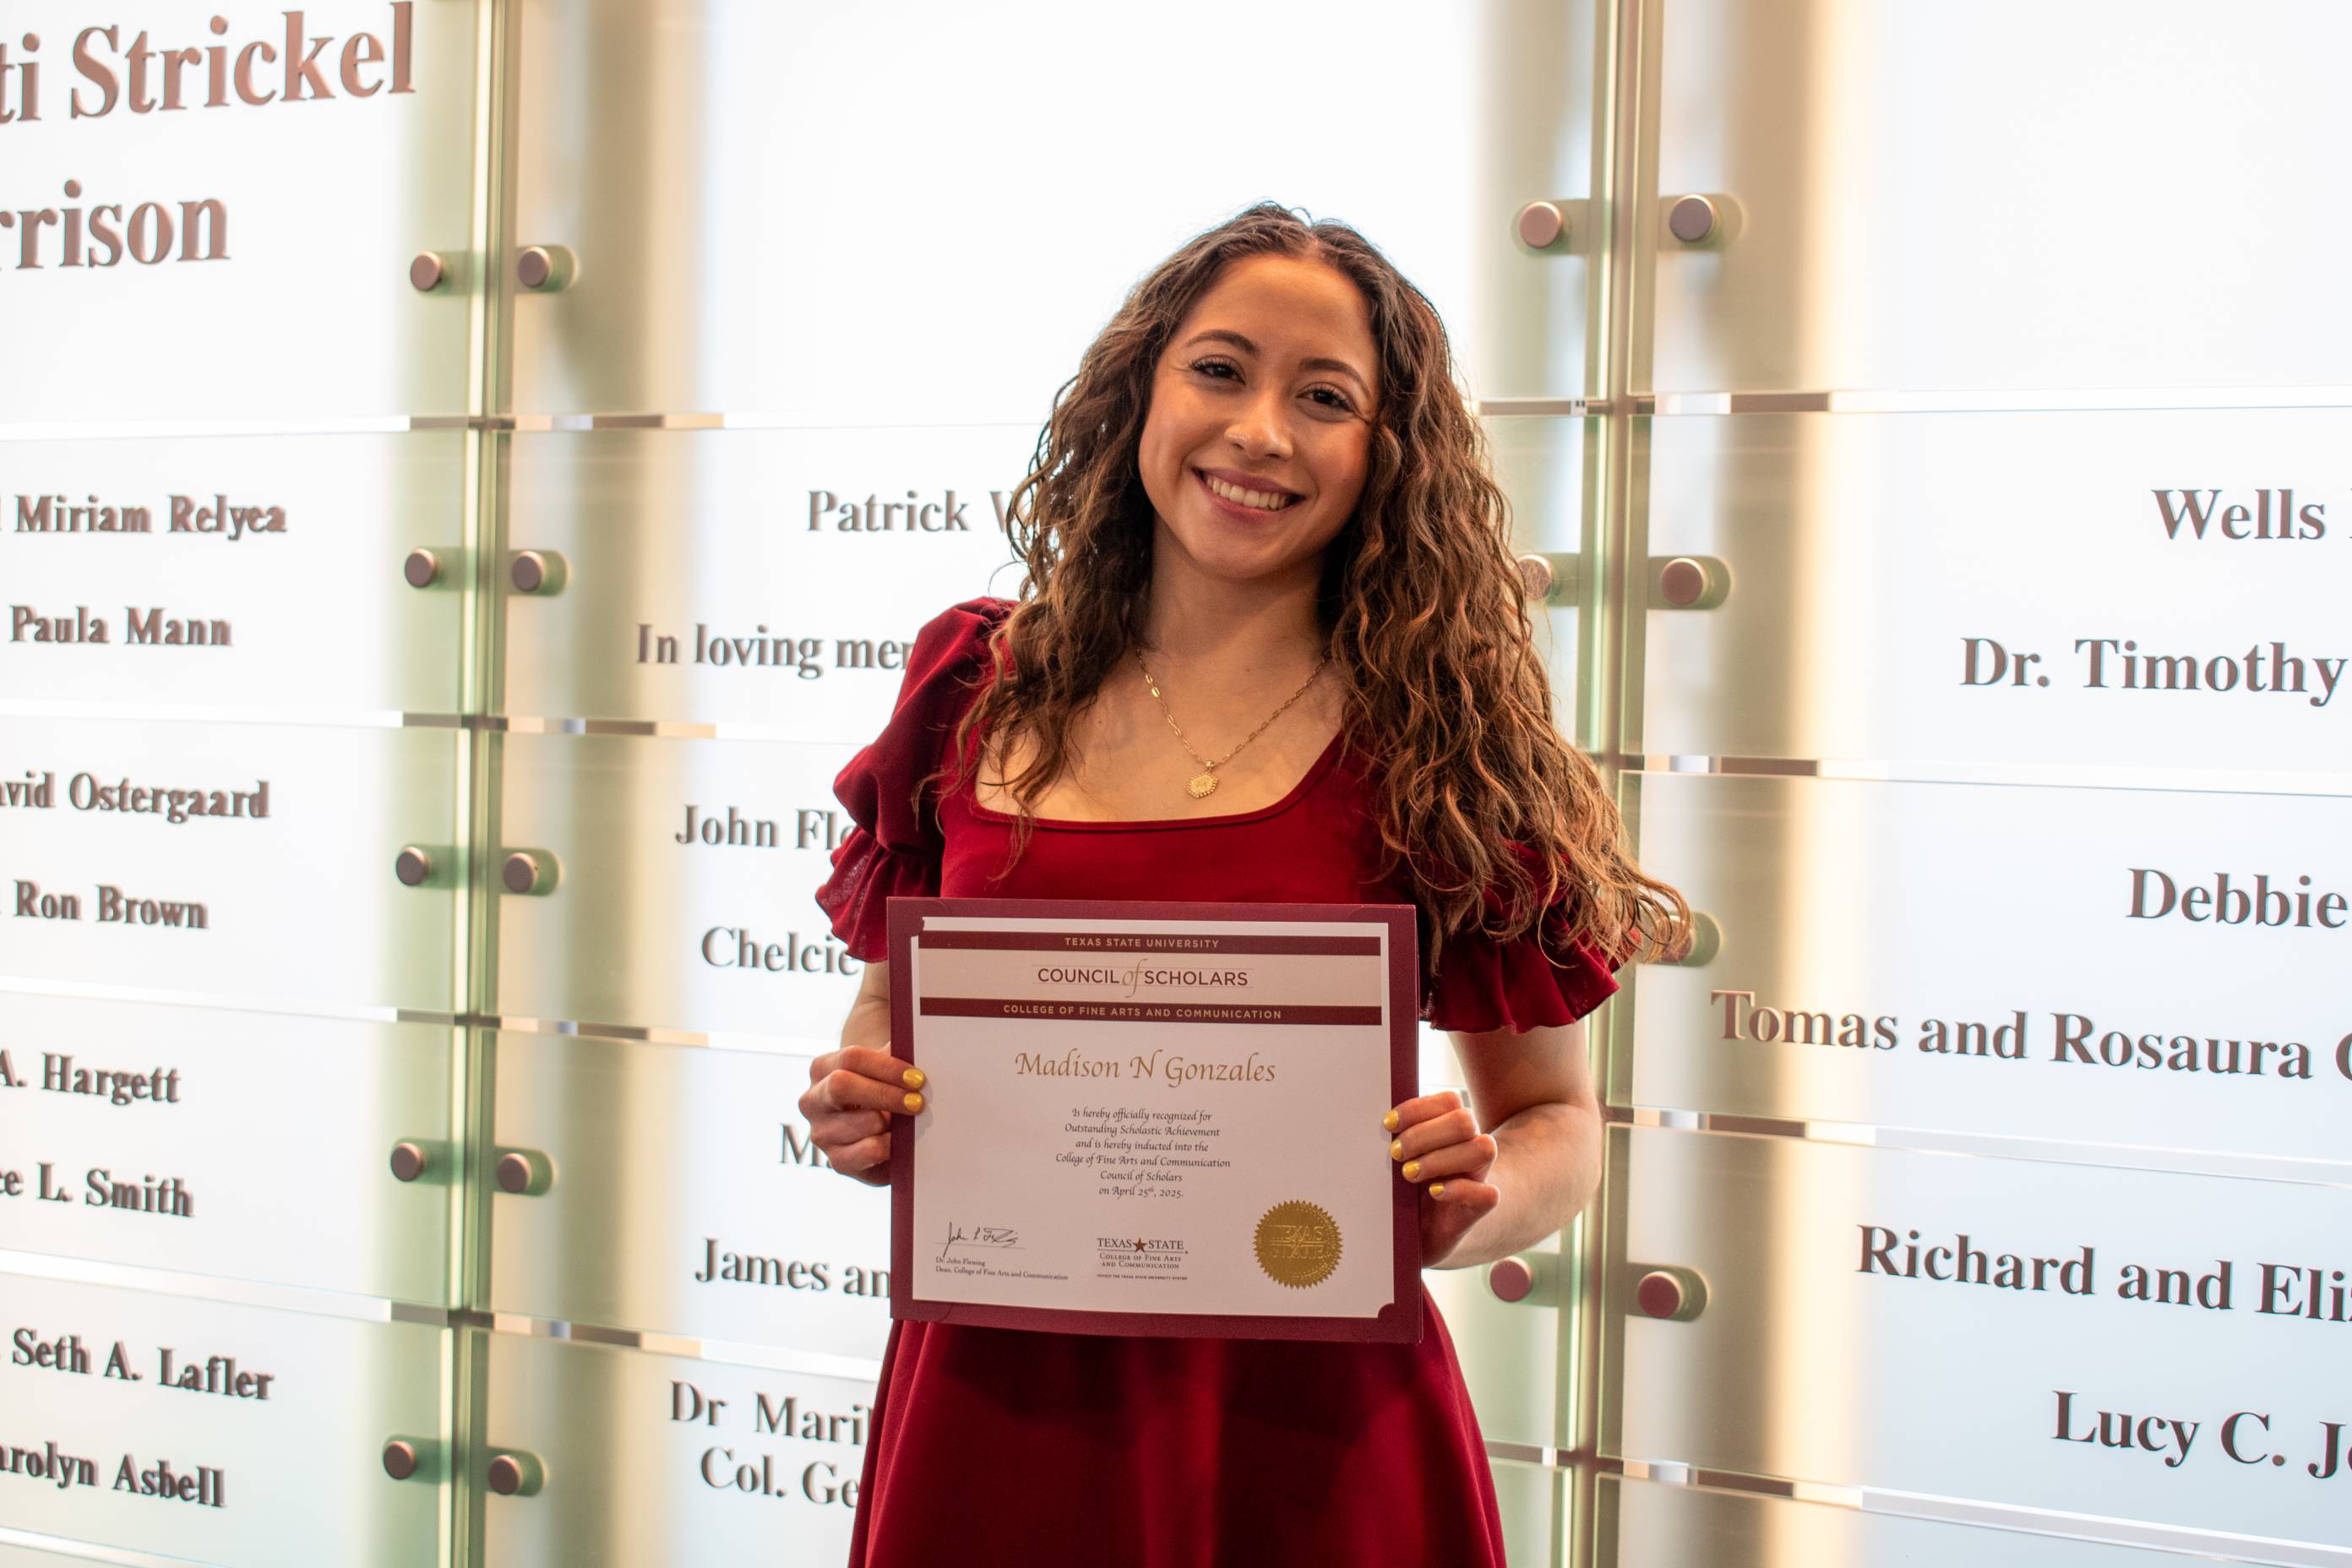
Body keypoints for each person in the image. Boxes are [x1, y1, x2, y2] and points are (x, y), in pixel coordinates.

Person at [802, 202, 1686, 1567]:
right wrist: (869, 1099)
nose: (1261, 431)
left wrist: (1475, 1204)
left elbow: (1559, 1119)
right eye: (1220, 369)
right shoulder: (972, 685)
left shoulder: (1445, 745)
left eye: (1323, 396)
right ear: (1137, 390)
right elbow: (887, 1009)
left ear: (1387, 455)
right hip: (989, 1409)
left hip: (1312, 1441)